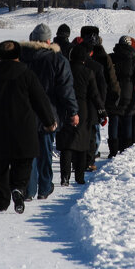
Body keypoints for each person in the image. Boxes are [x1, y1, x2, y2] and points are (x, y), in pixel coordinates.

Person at [0, 40, 56, 214]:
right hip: (24, 130)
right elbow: (41, 101)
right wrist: (49, 122)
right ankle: (19, 189)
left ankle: (1, 203)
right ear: (18, 55)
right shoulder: (28, 76)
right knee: (23, 163)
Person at [19, 23, 79, 200]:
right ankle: (44, 188)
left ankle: (29, 190)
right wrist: (73, 111)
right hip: (49, 114)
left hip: (24, 114)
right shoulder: (57, 60)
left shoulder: (20, 58)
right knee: (45, 152)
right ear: (48, 40)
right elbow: (66, 89)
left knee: (29, 153)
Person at [56, 42, 104, 185]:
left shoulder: (64, 70)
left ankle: (65, 177)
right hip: (83, 109)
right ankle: (79, 176)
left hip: (65, 108)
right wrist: (102, 111)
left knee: (66, 145)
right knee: (82, 144)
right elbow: (95, 94)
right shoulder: (88, 72)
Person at [107, 35, 135, 156]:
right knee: (128, 121)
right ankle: (126, 149)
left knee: (113, 121)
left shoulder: (111, 57)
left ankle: (113, 151)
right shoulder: (133, 59)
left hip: (113, 93)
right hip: (129, 94)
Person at [79, 26, 107, 171]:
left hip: (79, 103)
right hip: (93, 104)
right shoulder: (97, 65)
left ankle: (79, 160)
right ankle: (89, 159)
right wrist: (102, 106)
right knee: (92, 134)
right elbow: (102, 88)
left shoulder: (74, 63)